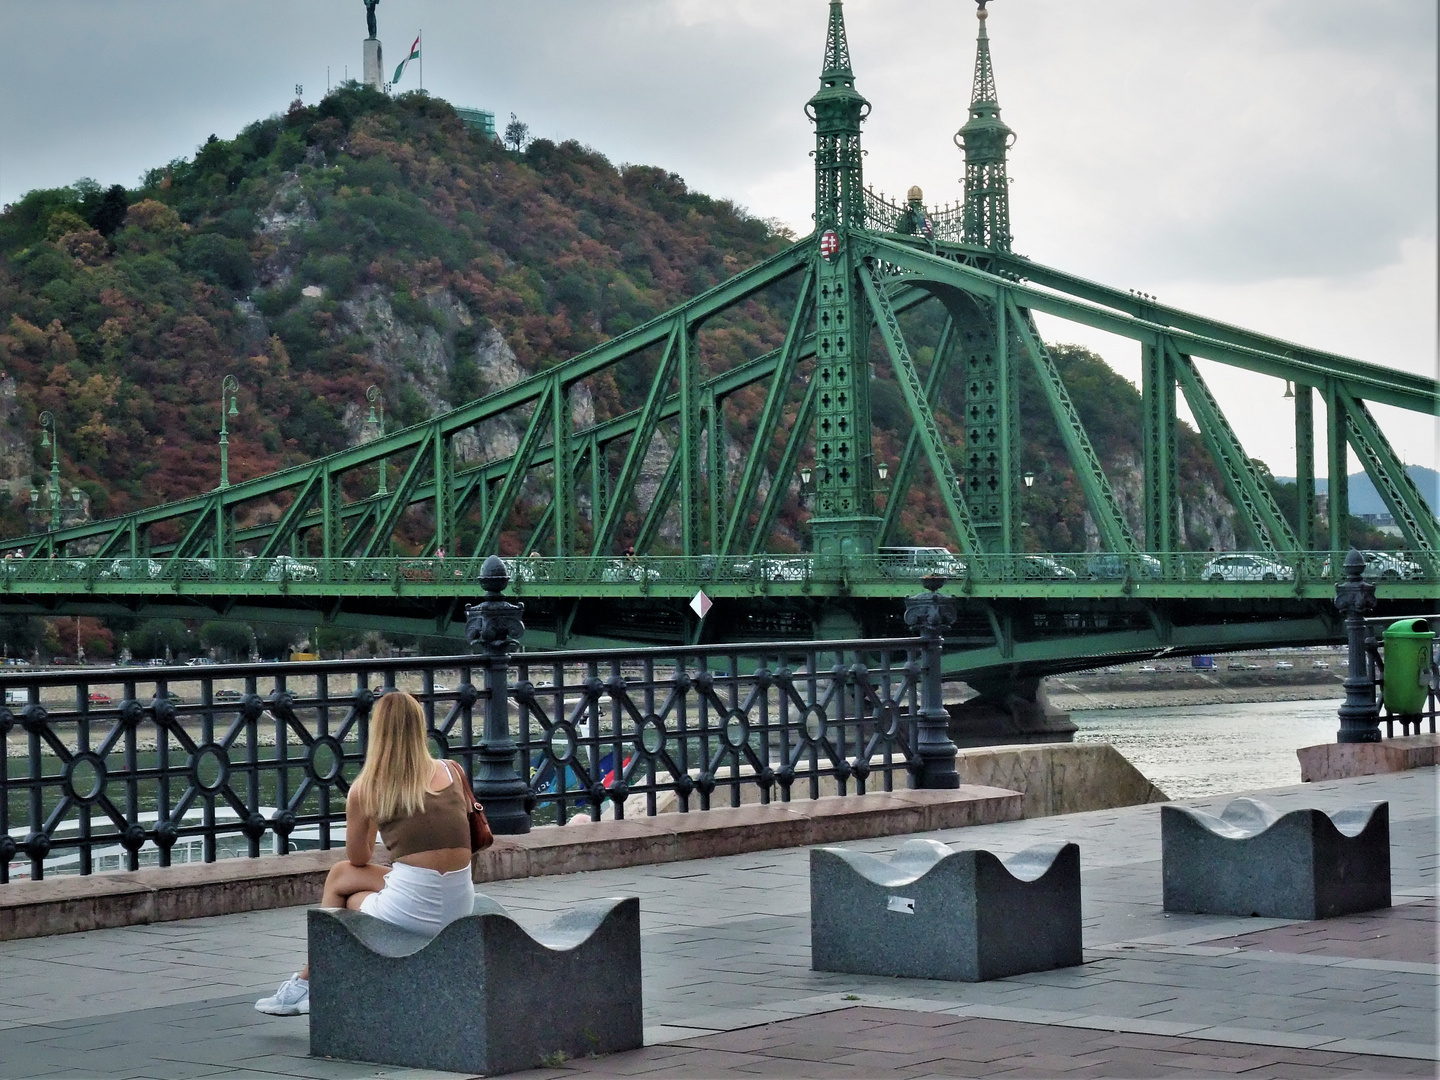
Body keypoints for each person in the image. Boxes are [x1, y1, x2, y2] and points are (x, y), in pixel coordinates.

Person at [255, 691, 474, 1016]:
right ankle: (308, 983)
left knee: (343, 881)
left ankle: (311, 982)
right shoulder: (453, 771)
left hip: (412, 911)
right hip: (460, 903)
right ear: (420, 728)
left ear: (378, 730)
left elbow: (358, 858)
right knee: (362, 879)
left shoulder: (368, 787)